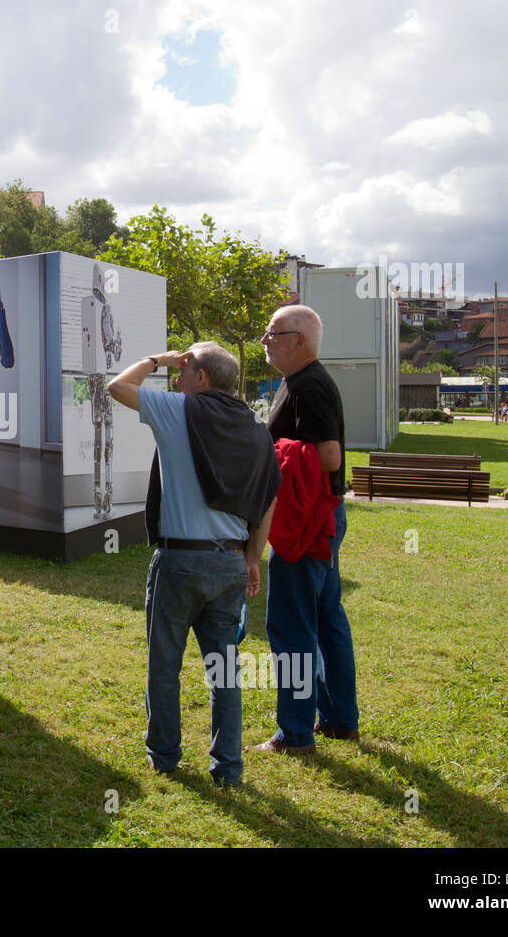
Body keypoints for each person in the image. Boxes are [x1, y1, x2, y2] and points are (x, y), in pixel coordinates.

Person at [109, 342, 279, 787]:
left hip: (180, 560)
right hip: (231, 562)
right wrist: (253, 560)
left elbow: (116, 386)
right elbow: (269, 499)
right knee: (225, 672)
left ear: (200, 376)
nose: (179, 378)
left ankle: (164, 756)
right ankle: (228, 766)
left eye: (184, 370)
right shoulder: (256, 429)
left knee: (165, 664)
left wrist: (155, 361)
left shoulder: (177, 410)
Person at [249, 304, 359, 755]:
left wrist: (274, 450)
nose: (265, 341)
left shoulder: (309, 385)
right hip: (320, 517)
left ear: (300, 340)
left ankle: (295, 733)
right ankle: (337, 720)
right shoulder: (299, 382)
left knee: (293, 626)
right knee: (327, 618)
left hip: (307, 520)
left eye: (272, 333)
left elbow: (329, 457)